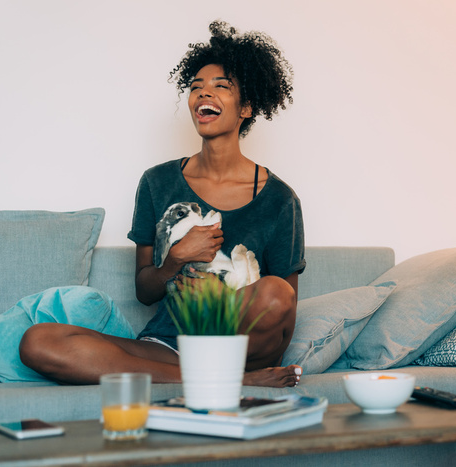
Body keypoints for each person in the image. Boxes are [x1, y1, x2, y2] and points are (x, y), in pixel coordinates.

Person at [18, 21, 305, 388]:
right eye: (196, 87)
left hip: (238, 348)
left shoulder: (280, 200)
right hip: (168, 348)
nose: (204, 94)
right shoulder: (157, 182)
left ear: (246, 106)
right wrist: (175, 260)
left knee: (278, 292)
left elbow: (285, 312)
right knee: (39, 340)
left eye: (221, 87)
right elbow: (145, 291)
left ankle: (222, 372)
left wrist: (220, 302)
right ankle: (222, 381)